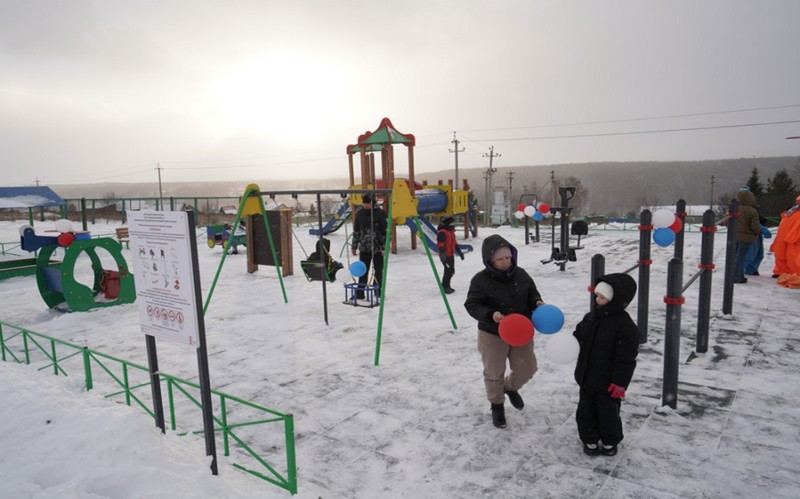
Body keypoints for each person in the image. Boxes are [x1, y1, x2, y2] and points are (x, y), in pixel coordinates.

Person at [464, 234, 543, 429]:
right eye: (500, 259)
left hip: (521, 331)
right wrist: (491, 314)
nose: (505, 262)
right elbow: (472, 304)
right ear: (490, 260)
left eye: (508, 257)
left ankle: (509, 387)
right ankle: (497, 404)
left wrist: (537, 302)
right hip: (492, 333)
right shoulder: (480, 280)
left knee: (528, 368)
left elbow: (532, 293)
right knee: (494, 372)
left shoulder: (521, 274)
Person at [573, 273, 640, 457]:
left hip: (608, 382)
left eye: (602, 297)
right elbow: (579, 334)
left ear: (615, 300)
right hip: (587, 376)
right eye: (597, 295)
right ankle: (590, 439)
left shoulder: (625, 327)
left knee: (608, 413)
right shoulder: (591, 317)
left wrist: (620, 382)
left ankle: (610, 441)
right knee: (585, 410)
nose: (597, 299)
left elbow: (626, 359)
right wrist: (571, 343)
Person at [351, 194, 388, 299]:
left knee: (378, 270)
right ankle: (360, 293)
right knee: (363, 270)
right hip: (364, 248)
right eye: (364, 203)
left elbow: (385, 232)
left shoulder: (380, 213)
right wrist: (354, 246)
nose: (366, 205)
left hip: (377, 248)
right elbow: (356, 231)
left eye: (368, 203)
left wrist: (383, 247)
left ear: (372, 203)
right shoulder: (360, 214)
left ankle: (378, 291)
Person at [732, 188, 760, 284]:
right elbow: (755, 226)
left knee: (736, 257)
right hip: (746, 237)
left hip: (734, 236)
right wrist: (756, 233)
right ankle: (737, 276)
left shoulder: (734, 209)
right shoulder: (752, 211)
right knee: (740, 258)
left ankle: (738, 276)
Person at [769, 195, 800, 283]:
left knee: (792, 256)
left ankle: (794, 272)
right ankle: (780, 272)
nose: (797, 204)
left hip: (794, 239)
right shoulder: (791, 211)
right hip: (783, 238)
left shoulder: (792, 212)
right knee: (780, 255)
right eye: (797, 201)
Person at [436, 216, 464, 294]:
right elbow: (440, 244)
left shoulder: (451, 232)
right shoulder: (442, 232)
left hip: (451, 255)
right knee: (449, 271)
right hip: (445, 255)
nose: (453, 224)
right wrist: (442, 255)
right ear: (448, 223)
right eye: (452, 223)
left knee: (449, 271)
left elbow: (455, 243)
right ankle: (445, 287)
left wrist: (460, 252)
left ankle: (446, 286)